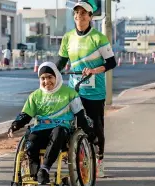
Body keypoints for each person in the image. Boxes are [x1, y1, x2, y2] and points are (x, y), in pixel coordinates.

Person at [55, 0, 117, 178]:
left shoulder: (98, 38)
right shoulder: (68, 37)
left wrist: (93, 70)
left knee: (96, 127)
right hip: (74, 89)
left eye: (83, 13)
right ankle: (76, 156)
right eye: (76, 13)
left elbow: (111, 62)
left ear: (90, 17)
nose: (78, 16)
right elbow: (61, 61)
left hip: (94, 91)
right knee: (70, 124)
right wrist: (49, 73)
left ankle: (100, 160)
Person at [8, 61, 94, 185]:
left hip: (62, 132)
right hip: (41, 129)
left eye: (50, 77)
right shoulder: (35, 96)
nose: (46, 81)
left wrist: (89, 132)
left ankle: (44, 169)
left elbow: (80, 115)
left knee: (58, 131)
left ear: (56, 77)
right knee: (30, 140)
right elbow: (26, 115)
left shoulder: (70, 93)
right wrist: (15, 124)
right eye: (43, 78)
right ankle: (35, 172)